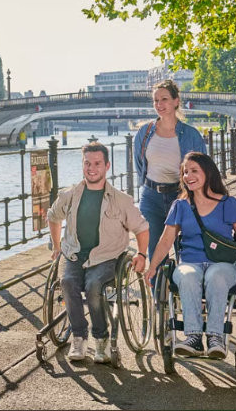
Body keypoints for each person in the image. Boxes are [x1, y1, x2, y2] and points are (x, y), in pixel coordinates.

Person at [146, 152, 236, 359]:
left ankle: (215, 337)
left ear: (208, 173)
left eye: (194, 171)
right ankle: (193, 337)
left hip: (222, 264)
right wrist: (152, 268)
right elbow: (166, 240)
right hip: (190, 262)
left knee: (216, 276)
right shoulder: (180, 206)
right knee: (187, 276)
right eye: (185, 172)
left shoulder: (228, 204)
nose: (188, 176)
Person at [48, 142, 150, 363]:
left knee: (95, 286)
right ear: (82, 165)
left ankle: (101, 339)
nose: (91, 168)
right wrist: (57, 247)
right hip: (75, 254)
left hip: (106, 256)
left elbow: (142, 227)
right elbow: (53, 216)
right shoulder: (70, 194)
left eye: (96, 164)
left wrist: (141, 255)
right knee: (67, 283)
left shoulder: (121, 200)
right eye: (87, 163)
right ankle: (78, 336)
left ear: (107, 166)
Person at [133, 80, 207, 262]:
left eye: (164, 99)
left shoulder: (191, 135)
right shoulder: (144, 133)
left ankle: (182, 288)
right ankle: (158, 289)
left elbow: (203, 170)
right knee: (155, 254)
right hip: (151, 197)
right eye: (156, 100)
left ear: (176, 101)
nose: (159, 104)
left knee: (186, 252)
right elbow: (139, 164)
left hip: (181, 196)